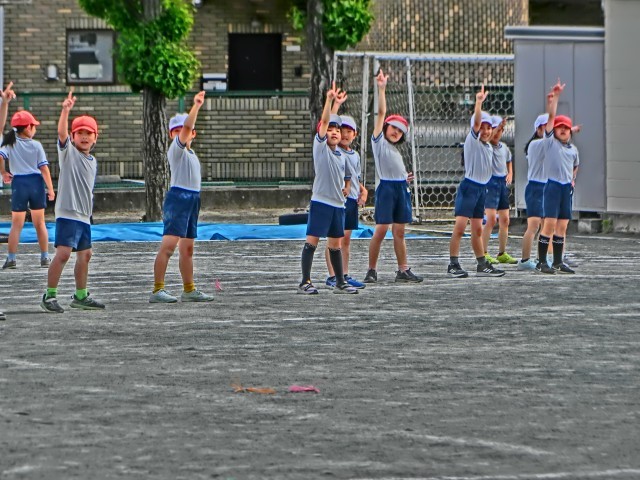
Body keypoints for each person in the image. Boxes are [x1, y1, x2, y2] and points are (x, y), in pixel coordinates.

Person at [40, 90, 105, 313]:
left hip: (84, 216)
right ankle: (49, 295)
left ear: (96, 137)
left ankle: (81, 295)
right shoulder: (68, 153)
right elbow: (61, 134)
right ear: (73, 136)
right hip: (68, 213)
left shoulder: (92, 160)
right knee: (64, 254)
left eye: (89, 133)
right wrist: (65, 110)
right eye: (80, 133)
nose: (84, 137)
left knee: (85, 255)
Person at [150, 91, 215, 303]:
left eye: (184, 130)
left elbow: (188, 128)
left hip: (193, 200)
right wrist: (196, 105)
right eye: (176, 131)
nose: (182, 133)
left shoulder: (191, 155)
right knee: (168, 247)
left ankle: (189, 289)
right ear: (172, 135)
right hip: (179, 199)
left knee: (187, 249)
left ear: (195, 134)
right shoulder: (175, 150)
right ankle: (157, 290)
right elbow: (187, 128)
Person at [363, 69, 422, 284]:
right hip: (387, 190)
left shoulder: (395, 150)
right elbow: (380, 113)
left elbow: (394, 168)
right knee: (380, 230)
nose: (396, 132)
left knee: (400, 232)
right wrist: (381, 89)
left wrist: (403, 178)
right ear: (385, 127)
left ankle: (403, 270)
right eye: (393, 127)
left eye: (400, 131)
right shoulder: (378, 142)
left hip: (400, 189)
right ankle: (371, 270)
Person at [298, 83, 357, 295]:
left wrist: (348, 187)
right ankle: (305, 281)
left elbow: (347, 176)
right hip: (321, 203)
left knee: (335, 245)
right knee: (311, 242)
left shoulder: (341, 156)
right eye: (330, 130)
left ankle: (340, 281)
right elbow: (325, 121)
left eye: (337, 130)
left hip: (338, 206)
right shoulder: (321, 148)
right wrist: (330, 101)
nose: (334, 132)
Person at [447, 85, 505, 278]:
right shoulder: (472, 141)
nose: (486, 131)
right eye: (482, 128)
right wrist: (478, 103)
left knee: (477, 229)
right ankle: (453, 264)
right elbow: (477, 122)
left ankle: (481, 263)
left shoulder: (488, 146)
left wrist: (499, 126)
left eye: (489, 128)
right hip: (470, 188)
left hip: (482, 190)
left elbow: (495, 132)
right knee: (460, 227)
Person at [0, 82, 54, 270]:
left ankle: (11, 259)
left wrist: (3, 172)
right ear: (28, 127)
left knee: (16, 224)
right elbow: (44, 169)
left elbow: (0, 155)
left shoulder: (10, 143)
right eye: (34, 126)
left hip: (19, 183)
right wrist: (51, 189)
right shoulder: (36, 145)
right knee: (40, 223)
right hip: (36, 183)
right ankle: (45, 257)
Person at [324, 91, 367, 290]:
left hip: (351, 201)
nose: (346, 134)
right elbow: (328, 124)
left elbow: (355, 178)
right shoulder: (334, 150)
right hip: (337, 200)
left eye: (350, 131)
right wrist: (335, 104)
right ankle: (332, 275)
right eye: (343, 130)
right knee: (335, 239)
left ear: (355, 134)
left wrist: (363, 191)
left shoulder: (355, 155)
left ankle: (344, 274)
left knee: (346, 239)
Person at [535, 80, 579, 275]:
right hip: (553, 186)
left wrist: (572, 179)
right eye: (559, 127)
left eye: (566, 128)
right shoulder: (551, 143)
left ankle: (558, 262)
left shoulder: (573, 149)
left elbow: (575, 165)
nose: (562, 130)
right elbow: (551, 117)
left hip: (565, 188)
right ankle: (542, 261)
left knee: (562, 225)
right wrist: (555, 98)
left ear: (570, 131)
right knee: (550, 224)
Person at [481, 115, 516, 265]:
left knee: (505, 220)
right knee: (490, 220)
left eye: (500, 130)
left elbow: (509, 161)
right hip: (491, 183)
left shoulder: (504, 148)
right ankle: (483, 253)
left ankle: (502, 253)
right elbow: (489, 138)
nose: (497, 133)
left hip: (502, 183)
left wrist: (510, 173)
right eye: (494, 129)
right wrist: (498, 126)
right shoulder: (486, 146)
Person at [517, 111, 550, 271]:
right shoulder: (536, 145)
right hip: (536, 187)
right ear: (538, 129)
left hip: (547, 187)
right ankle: (525, 260)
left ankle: (543, 257)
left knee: (547, 225)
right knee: (534, 225)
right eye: (546, 127)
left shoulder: (549, 145)